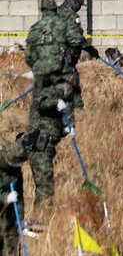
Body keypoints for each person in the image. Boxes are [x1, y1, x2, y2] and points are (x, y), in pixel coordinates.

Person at [26, 76, 73, 208]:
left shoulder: (61, 105)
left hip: (49, 146)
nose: (67, 93)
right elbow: (40, 104)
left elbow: (57, 125)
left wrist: (67, 130)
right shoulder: (45, 94)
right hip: (40, 145)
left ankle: (43, 214)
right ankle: (40, 215)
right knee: (44, 184)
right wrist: (56, 101)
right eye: (66, 90)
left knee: (47, 183)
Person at [55, 0, 92, 111]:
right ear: (74, 2)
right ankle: (76, 111)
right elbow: (76, 37)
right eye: (79, 5)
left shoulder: (54, 12)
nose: (79, 8)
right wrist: (88, 47)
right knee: (71, 84)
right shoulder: (71, 16)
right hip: (63, 57)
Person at [0, 136, 28, 256]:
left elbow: (19, 197)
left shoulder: (15, 171)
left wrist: (20, 222)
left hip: (11, 216)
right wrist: (6, 198)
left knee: (12, 246)